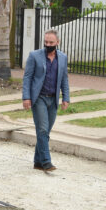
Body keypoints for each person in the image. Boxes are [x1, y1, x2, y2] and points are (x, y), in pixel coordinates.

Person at [22, 29, 70, 172]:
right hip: (39, 99)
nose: (48, 44)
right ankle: (46, 162)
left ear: (57, 42)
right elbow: (27, 77)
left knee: (45, 132)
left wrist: (66, 97)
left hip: (53, 100)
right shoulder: (34, 56)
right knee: (42, 129)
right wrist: (26, 97)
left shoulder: (62, 58)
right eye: (46, 42)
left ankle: (37, 161)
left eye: (51, 42)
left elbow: (64, 79)